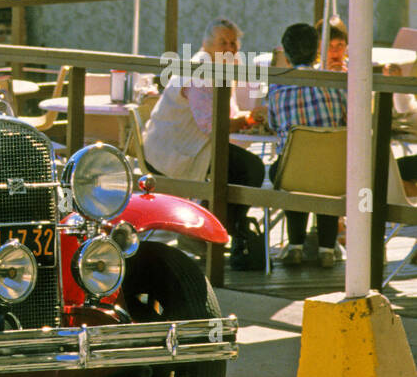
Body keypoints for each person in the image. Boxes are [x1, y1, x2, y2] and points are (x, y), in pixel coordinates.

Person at [142, 18, 267, 270]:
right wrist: (247, 120)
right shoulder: (201, 70)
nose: (230, 48)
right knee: (249, 169)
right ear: (206, 44)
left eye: (233, 43)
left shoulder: (219, 70)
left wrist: (245, 120)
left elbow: (225, 117)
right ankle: (204, 233)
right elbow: (211, 125)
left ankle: (206, 231)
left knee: (244, 168)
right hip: (172, 153)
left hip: (191, 149)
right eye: (223, 42)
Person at [267, 22, 347, 267]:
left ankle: (295, 245)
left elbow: (272, 124)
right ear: (317, 52)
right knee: (325, 179)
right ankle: (326, 249)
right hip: (332, 172)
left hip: (294, 171)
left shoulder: (277, 89)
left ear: (287, 55)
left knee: (291, 172)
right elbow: (348, 120)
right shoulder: (336, 84)